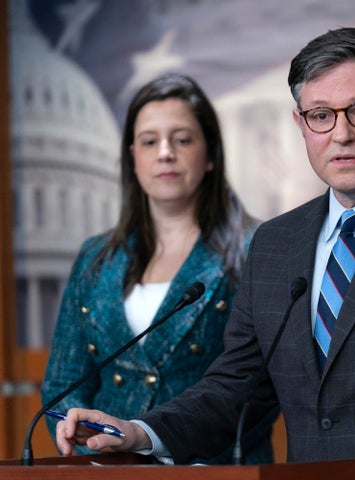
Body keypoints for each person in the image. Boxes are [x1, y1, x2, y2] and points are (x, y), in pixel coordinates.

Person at [55, 28, 355, 466]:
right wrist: (142, 432)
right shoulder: (275, 243)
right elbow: (234, 389)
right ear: (301, 125)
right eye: (320, 116)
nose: (342, 134)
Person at [42, 73, 278, 464]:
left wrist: (157, 446)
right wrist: (92, 449)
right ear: (132, 156)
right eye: (150, 141)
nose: (165, 153)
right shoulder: (96, 256)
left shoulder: (257, 247)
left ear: (211, 154)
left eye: (182, 139)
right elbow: (63, 380)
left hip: (211, 470)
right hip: (106, 470)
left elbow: (259, 387)